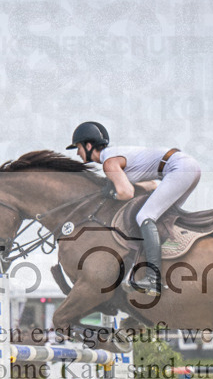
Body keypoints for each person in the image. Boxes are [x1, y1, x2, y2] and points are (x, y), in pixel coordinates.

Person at [67, 121, 201, 296]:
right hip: (187, 167)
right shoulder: (116, 157)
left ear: (89, 145)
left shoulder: (109, 163)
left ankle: (153, 278)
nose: (77, 153)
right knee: (161, 217)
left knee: (144, 216)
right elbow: (151, 185)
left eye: (78, 147)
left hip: (179, 168)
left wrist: (112, 195)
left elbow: (126, 192)